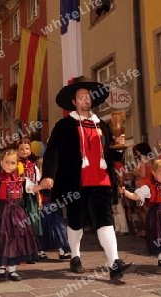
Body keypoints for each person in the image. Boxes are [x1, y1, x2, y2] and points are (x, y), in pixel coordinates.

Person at [40, 75, 134, 280]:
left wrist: (118, 146)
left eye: (88, 97)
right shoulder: (64, 125)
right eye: (81, 97)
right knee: (75, 221)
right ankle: (75, 255)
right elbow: (52, 152)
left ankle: (114, 263)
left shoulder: (103, 125)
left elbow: (110, 155)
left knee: (105, 221)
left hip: (102, 181)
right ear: (74, 102)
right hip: (76, 182)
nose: (85, 100)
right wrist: (48, 174)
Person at [0, 149, 41, 282]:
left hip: (18, 213)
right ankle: (1, 267)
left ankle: (12, 269)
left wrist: (42, 186)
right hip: (2, 213)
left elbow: (31, 189)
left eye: (12, 163)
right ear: (1, 163)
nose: (9, 165)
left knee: (16, 239)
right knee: (2, 238)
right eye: (6, 162)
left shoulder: (22, 180)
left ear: (17, 164)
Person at [123, 160, 161, 272]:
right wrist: (125, 192)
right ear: (154, 173)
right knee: (160, 238)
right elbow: (136, 196)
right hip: (156, 216)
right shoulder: (149, 187)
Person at [35, 157, 72, 259]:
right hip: (44, 205)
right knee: (43, 228)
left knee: (59, 227)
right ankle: (40, 250)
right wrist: (39, 202)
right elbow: (36, 192)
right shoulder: (38, 180)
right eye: (44, 168)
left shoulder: (53, 179)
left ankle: (62, 250)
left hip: (55, 204)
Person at [15, 138, 45, 260]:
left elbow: (37, 183)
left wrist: (39, 199)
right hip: (19, 197)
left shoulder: (33, 166)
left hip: (31, 197)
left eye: (27, 148)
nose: (24, 151)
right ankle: (22, 251)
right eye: (21, 149)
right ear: (17, 151)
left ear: (30, 150)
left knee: (33, 224)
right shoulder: (15, 164)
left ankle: (34, 251)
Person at [127, 142, 154, 237]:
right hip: (147, 185)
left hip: (144, 186)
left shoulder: (143, 159)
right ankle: (149, 229)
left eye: (136, 150)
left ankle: (148, 229)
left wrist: (134, 172)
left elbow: (142, 174)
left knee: (142, 209)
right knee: (143, 208)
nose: (135, 152)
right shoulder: (150, 158)